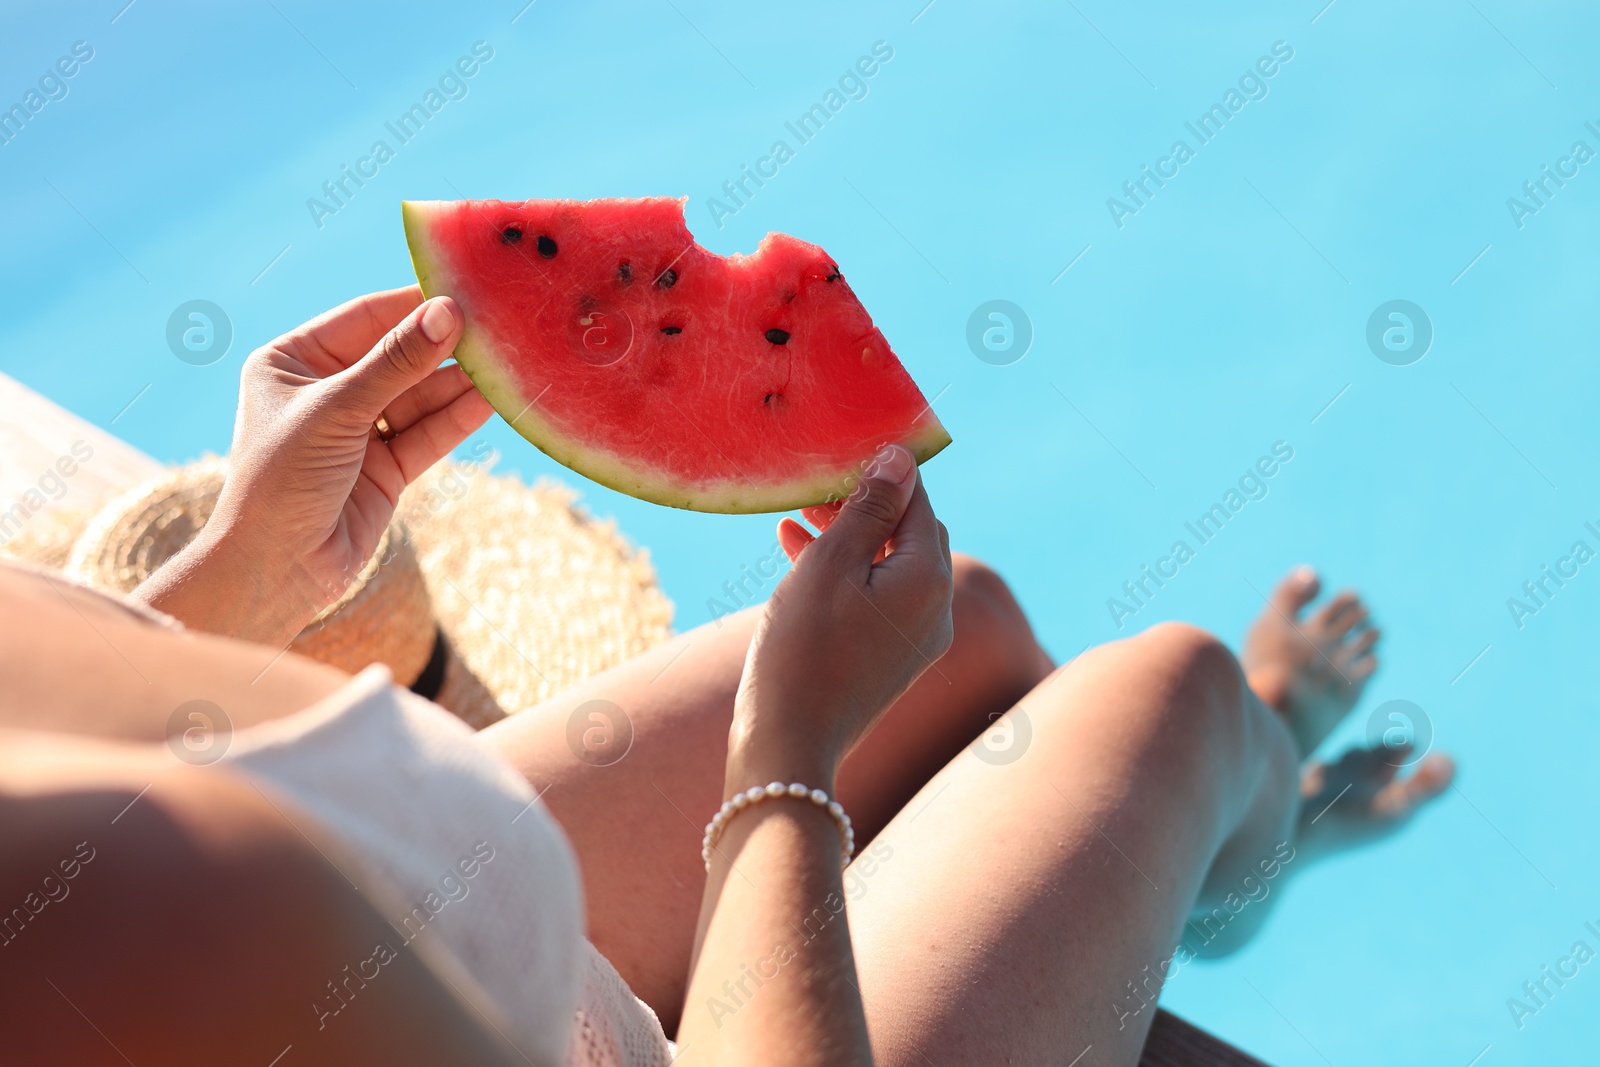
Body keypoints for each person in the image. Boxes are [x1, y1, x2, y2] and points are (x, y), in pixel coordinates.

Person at [0, 288, 1454, 1066]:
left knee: (976, 635)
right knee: (1175, 693)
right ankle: (1261, 823)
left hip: (452, 931)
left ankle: (1208, 850)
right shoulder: (136, 938)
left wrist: (245, 582)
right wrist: (791, 752)